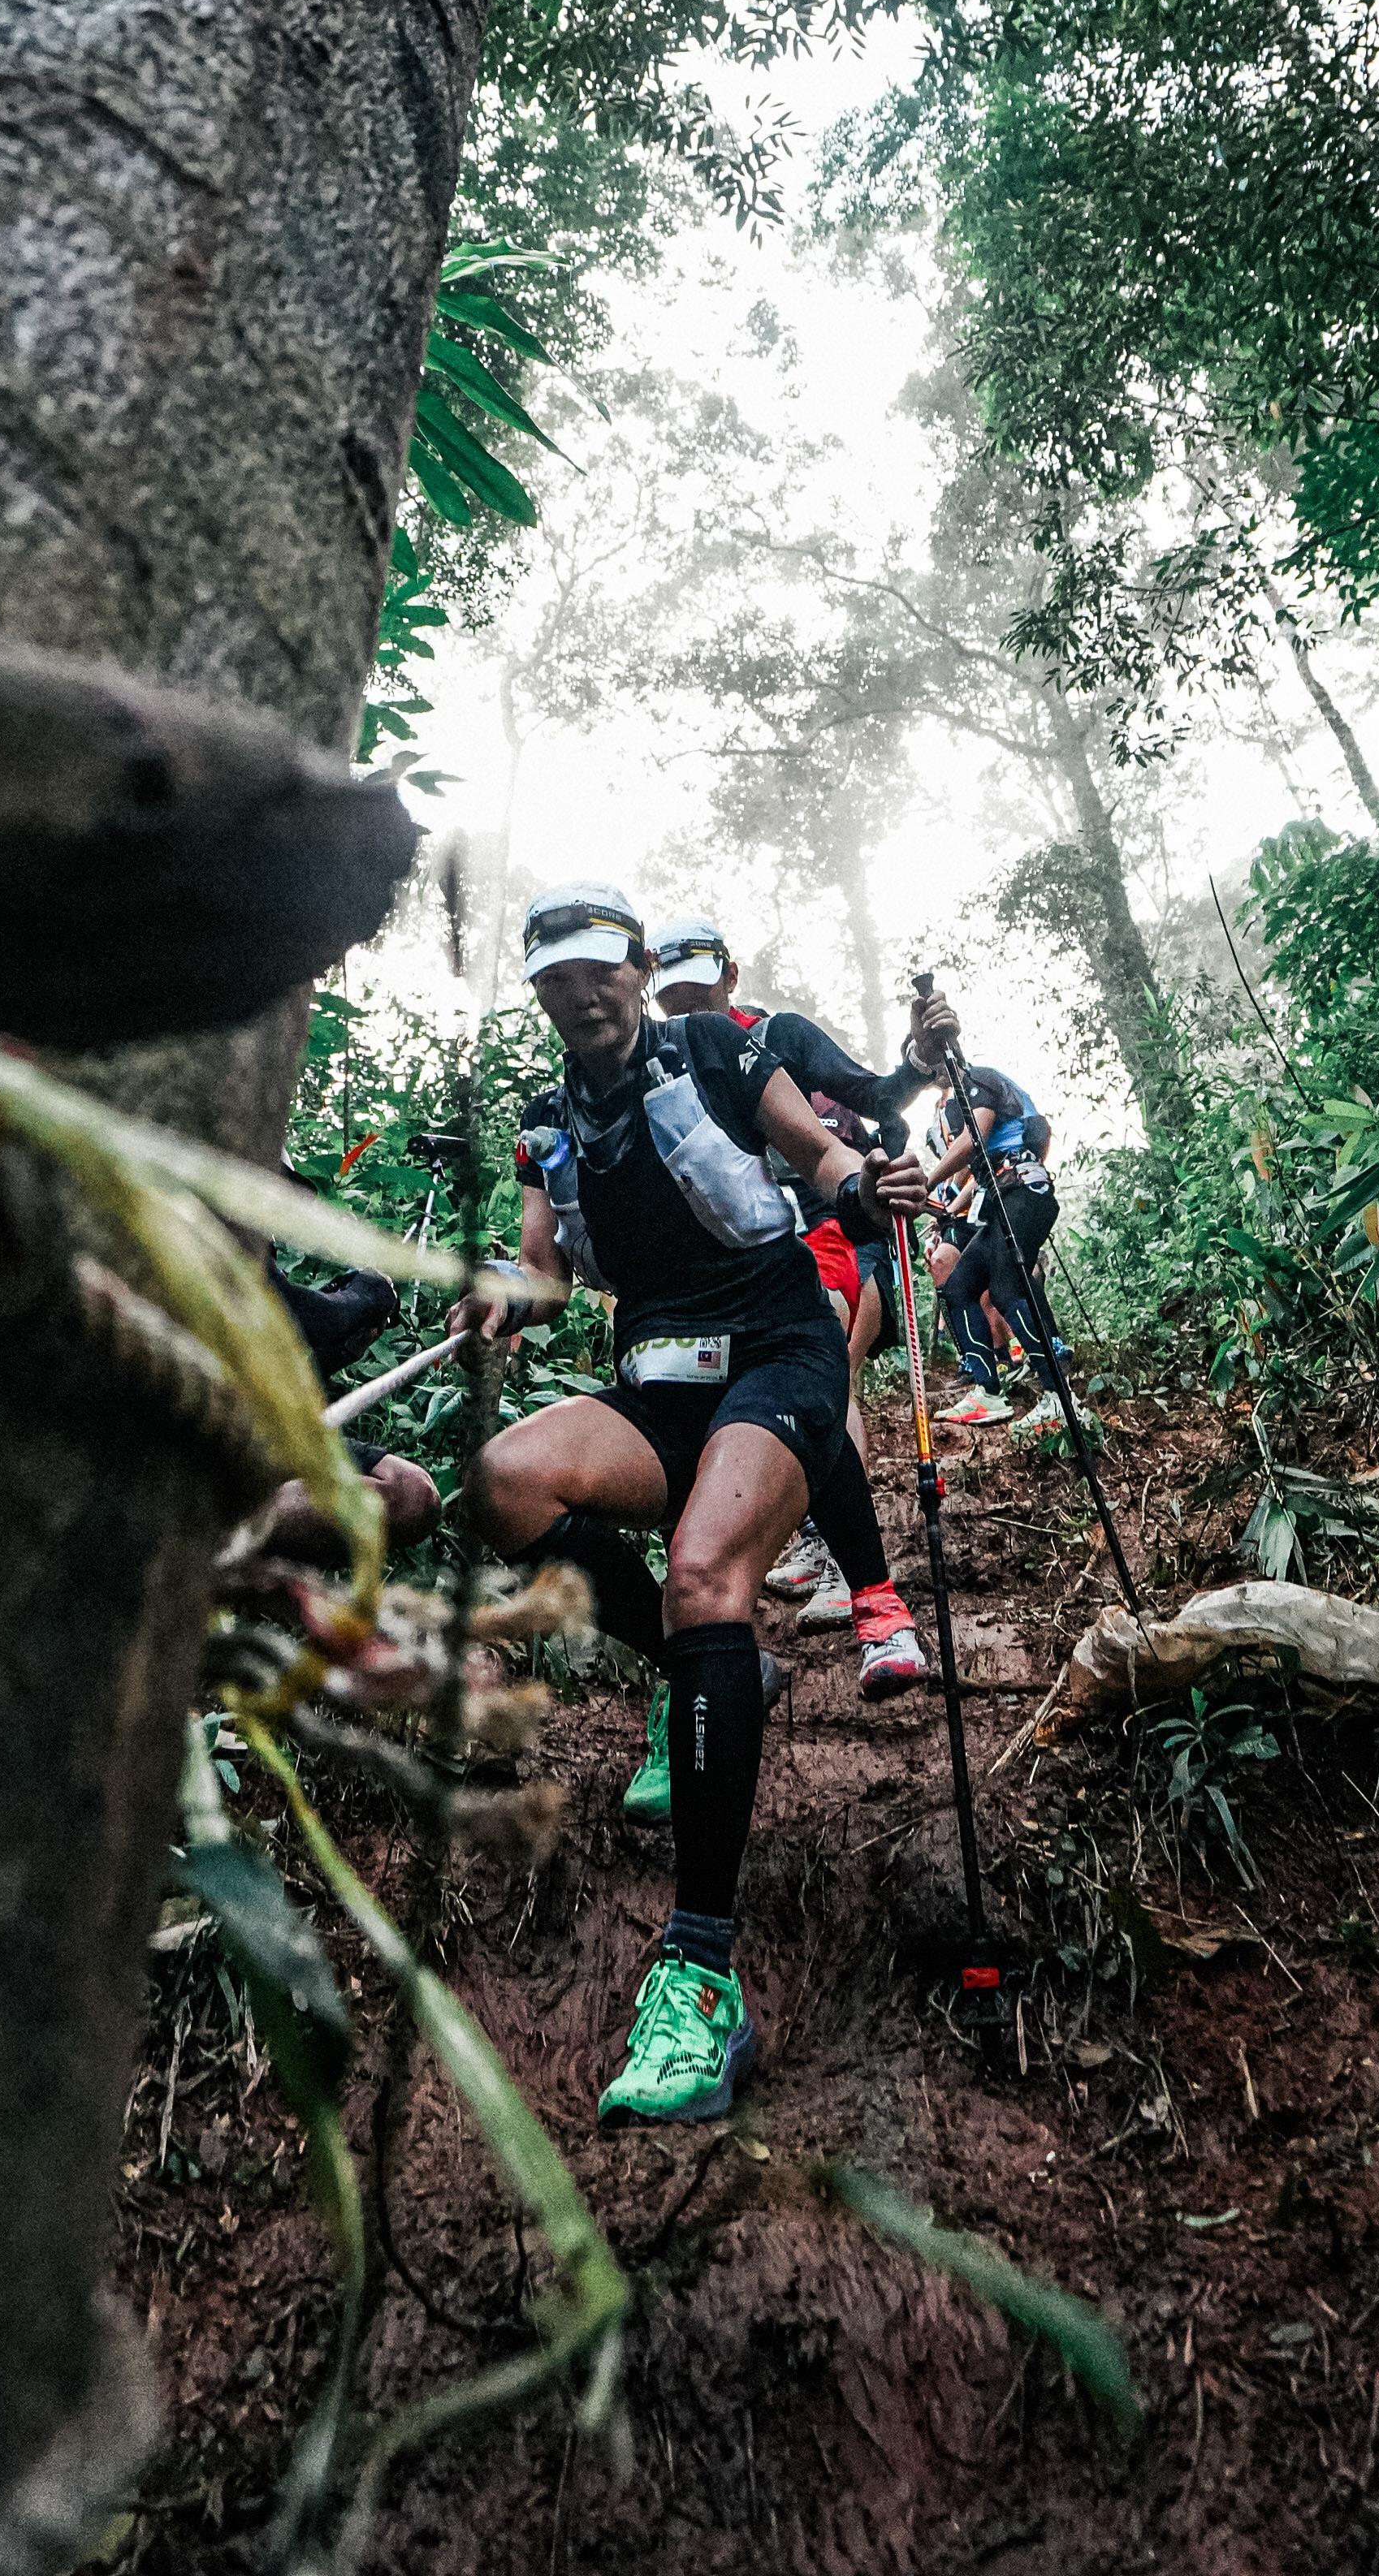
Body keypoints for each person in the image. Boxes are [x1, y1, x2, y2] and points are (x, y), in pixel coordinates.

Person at [455, 882, 931, 2125]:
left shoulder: (718, 1046)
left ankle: (702, 1973)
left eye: (600, 970)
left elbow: (817, 1153)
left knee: (707, 1573)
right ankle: (701, 1674)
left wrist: (861, 1187)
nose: (583, 995)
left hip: (779, 1352)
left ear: (639, 968)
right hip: (659, 1383)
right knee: (504, 1481)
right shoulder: (549, 1121)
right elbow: (545, 1273)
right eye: (557, 980)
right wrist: (502, 1293)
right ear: (541, 995)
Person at [646, 916, 947, 1648]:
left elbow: (875, 1095)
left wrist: (919, 1057)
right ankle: (815, 1537)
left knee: (826, 1373)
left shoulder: (776, 1035)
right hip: (743, 1258)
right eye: (673, 1000)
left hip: (825, 1225)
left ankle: (854, 1573)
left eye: (700, 995)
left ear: (731, 977)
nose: (689, 1013)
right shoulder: (655, 1062)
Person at [919, 1059, 1062, 1430]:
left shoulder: (977, 1080)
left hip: (1024, 1190)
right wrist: (944, 1207)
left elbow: (975, 1139)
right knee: (959, 1287)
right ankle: (988, 1392)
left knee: (1005, 1288)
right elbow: (980, 1168)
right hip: (1000, 1197)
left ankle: (1058, 1395)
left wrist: (926, 1182)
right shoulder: (957, 1097)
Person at [264, 1258, 443, 1548]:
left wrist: (339, 1351)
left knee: (412, 1495)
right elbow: (286, 1310)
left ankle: (240, 1533)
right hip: (205, 1440)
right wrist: (365, 1296)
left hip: (265, 1431)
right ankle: (214, 1536)